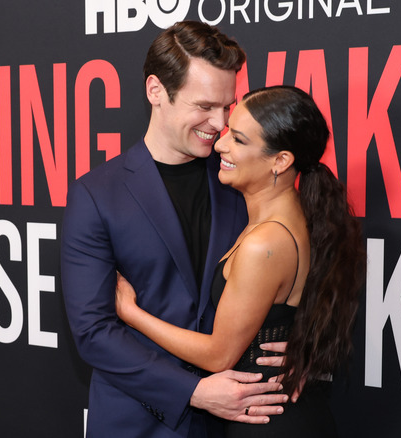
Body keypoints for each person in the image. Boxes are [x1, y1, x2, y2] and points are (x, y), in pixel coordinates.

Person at [61, 22, 289, 438]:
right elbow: (94, 333)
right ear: (156, 91)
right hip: (138, 423)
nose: (219, 123)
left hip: (236, 423)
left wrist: (303, 346)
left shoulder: (242, 182)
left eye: (228, 106)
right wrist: (194, 391)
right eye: (204, 105)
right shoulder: (97, 195)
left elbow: (291, 270)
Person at [115, 85, 367, 437]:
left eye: (239, 139)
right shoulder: (302, 216)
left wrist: (130, 312)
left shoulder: (265, 242)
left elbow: (219, 355)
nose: (220, 144)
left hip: (268, 425)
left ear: (281, 161)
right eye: (229, 131)